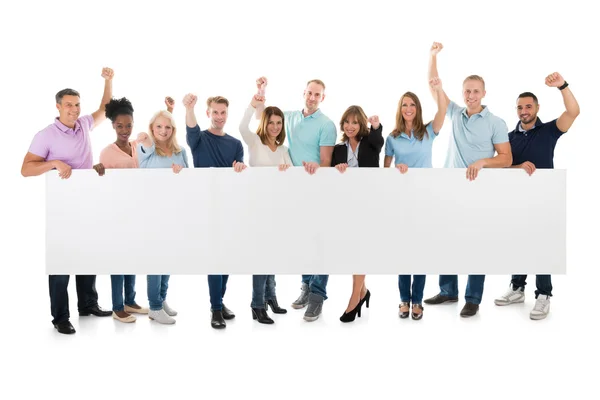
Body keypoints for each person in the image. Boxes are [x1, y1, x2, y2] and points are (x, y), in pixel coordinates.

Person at [21, 67, 115, 334]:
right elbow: (26, 169)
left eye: (77, 104)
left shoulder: (84, 124)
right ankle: (61, 316)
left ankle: (87, 305)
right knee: (62, 260)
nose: (74, 109)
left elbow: (106, 107)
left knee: (88, 253)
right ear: (58, 107)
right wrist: (53, 163)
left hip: (88, 202)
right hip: (62, 207)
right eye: (69, 105)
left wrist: (108, 80)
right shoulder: (46, 135)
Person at [422, 42, 512, 317]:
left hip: (478, 190)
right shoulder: (455, 113)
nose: (471, 95)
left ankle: (472, 297)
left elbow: (506, 158)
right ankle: (449, 291)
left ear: (484, 93)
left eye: (476, 91)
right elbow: (434, 86)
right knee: (447, 239)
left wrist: (483, 161)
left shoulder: (495, 122)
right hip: (449, 188)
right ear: (463, 93)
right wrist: (433, 56)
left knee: (476, 243)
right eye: (467, 91)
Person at [494, 72, 579, 320]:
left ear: (537, 107)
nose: (524, 111)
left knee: (542, 246)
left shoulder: (549, 130)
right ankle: (517, 288)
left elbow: (573, 112)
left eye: (528, 106)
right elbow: (498, 166)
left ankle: (543, 295)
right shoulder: (508, 138)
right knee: (519, 242)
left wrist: (562, 86)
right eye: (520, 107)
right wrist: (516, 168)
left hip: (544, 199)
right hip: (517, 201)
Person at [254, 76, 336, 322]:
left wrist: (316, 166)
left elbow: (326, 163)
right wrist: (261, 91)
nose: (312, 98)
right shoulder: (289, 117)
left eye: (317, 95)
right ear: (304, 93)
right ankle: (306, 286)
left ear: (323, 98)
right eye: (309, 93)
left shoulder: (326, 124)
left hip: (318, 190)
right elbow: (264, 118)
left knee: (320, 242)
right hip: (295, 192)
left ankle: (317, 296)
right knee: (305, 241)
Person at [384, 77, 447, 320]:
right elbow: (385, 173)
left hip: (425, 199)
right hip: (402, 201)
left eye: (412, 105)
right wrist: (396, 169)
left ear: (418, 109)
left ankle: (417, 300)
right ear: (400, 110)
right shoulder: (392, 137)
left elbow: (443, 110)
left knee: (419, 251)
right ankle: (403, 299)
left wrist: (438, 89)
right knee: (403, 251)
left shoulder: (429, 131)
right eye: (404, 105)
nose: (408, 109)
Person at [184, 93, 246, 329]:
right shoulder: (198, 139)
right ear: (208, 113)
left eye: (223, 113)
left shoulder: (236, 144)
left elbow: (239, 173)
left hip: (229, 207)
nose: (219, 117)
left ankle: (219, 301)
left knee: (227, 258)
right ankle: (216, 309)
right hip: (206, 206)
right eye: (215, 112)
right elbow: (190, 125)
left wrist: (240, 167)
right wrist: (189, 108)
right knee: (215, 258)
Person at [94, 97, 153, 322]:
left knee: (133, 256)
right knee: (118, 259)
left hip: (138, 212)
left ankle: (130, 300)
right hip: (117, 214)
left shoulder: (138, 147)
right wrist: (98, 170)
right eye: (120, 126)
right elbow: (101, 186)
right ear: (113, 126)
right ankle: (118, 307)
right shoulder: (106, 153)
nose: (125, 130)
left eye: (129, 125)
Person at [239, 93, 293, 324]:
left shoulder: (283, 150)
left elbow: (291, 177)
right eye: (270, 122)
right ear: (264, 123)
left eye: (278, 123)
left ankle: (271, 298)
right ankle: (257, 304)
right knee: (261, 257)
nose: (274, 126)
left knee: (272, 255)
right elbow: (242, 126)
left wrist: (285, 172)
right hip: (257, 207)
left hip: (276, 209)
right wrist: (254, 104)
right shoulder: (255, 142)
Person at [331, 105, 383, 323]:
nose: (350, 126)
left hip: (368, 204)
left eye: (354, 122)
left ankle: (354, 298)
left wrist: (376, 126)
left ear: (361, 124)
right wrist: (338, 169)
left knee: (360, 249)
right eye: (347, 122)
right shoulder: (338, 149)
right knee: (353, 249)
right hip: (347, 206)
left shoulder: (369, 142)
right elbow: (332, 177)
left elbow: (379, 142)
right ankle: (363, 291)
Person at [137, 108, 188, 324]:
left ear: (173, 129)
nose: (163, 130)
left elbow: (190, 178)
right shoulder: (147, 149)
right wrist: (145, 138)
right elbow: (143, 141)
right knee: (155, 259)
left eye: (167, 127)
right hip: (152, 212)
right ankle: (154, 307)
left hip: (174, 211)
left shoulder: (180, 150)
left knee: (168, 257)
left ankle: (162, 298)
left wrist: (181, 173)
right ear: (151, 128)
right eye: (158, 126)